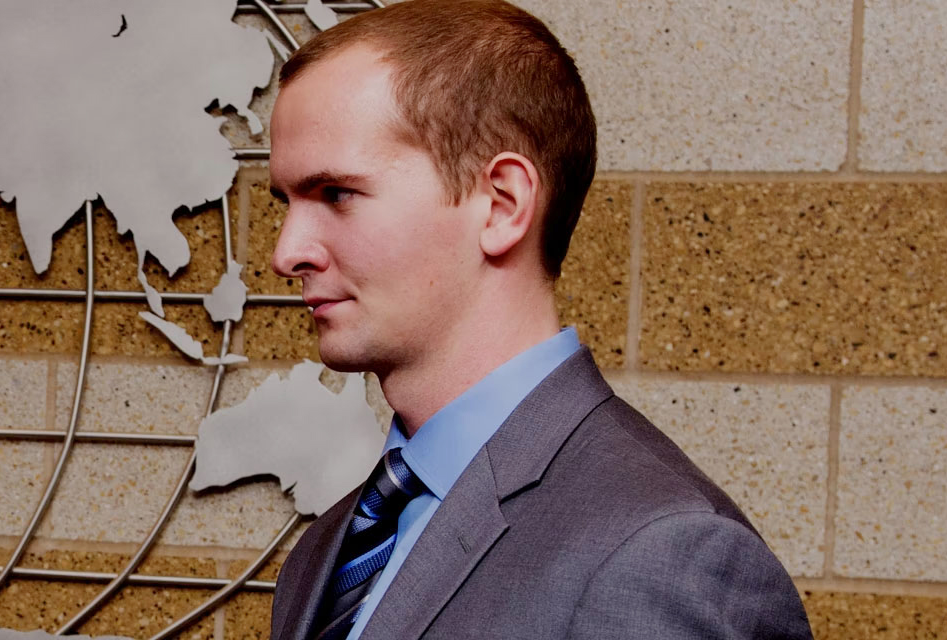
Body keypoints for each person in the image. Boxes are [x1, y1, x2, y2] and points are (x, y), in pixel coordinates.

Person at [260, 1, 810, 638]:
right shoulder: (331, 549)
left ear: (501, 206)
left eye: (337, 194)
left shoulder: (663, 556)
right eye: (287, 201)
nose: (285, 253)